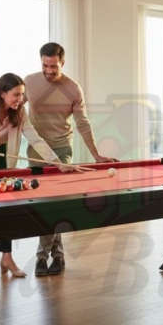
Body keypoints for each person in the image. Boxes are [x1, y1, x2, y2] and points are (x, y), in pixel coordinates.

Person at [0, 72, 79, 281]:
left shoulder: (19, 113)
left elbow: (35, 138)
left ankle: (7, 257)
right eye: (16, 95)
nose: (20, 99)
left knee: (4, 212)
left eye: (22, 95)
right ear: (2, 93)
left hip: (1, 161)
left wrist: (57, 163)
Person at [24, 42, 118, 276]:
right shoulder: (29, 82)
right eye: (45, 65)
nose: (48, 71)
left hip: (62, 150)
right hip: (36, 150)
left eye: (54, 66)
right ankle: (58, 255)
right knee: (43, 204)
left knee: (53, 204)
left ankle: (41, 257)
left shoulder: (73, 89)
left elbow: (83, 124)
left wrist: (96, 155)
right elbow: (13, 105)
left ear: (62, 63)